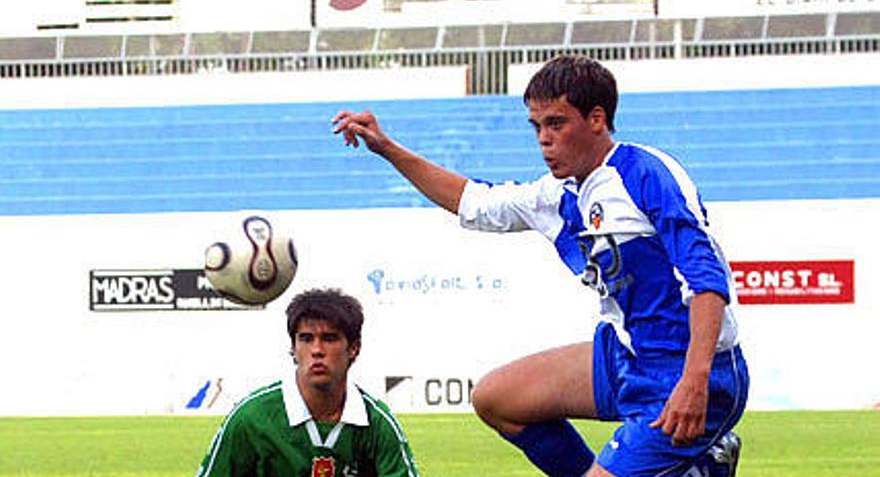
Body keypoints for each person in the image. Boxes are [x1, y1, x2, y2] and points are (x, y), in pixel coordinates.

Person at [332, 55, 749, 477]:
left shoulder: (646, 174)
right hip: (627, 355)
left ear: (597, 119)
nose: (544, 140)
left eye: (556, 123)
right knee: (497, 398)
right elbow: (474, 203)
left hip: (693, 371)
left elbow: (705, 278)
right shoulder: (556, 195)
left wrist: (694, 380)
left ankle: (703, 464)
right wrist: (386, 148)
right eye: (537, 127)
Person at [196, 288, 421, 477]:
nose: (316, 350)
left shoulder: (377, 424)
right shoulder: (251, 419)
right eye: (306, 339)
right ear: (293, 348)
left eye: (329, 338)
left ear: (354, 348)